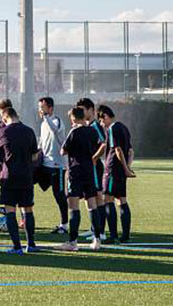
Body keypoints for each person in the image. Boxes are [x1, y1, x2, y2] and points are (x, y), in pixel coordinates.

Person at [0, 107, 38, 254]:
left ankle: (17, 247)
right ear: (17, 116)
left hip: (9, 176)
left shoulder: (3, 132)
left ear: (5, 119)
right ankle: (31, 244)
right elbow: (35, 156)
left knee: (10, 210)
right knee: (27, 210)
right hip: (26, 176)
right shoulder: (29, 131)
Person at [57, 107, 102, 252]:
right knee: (92, 205)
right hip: (89, 171)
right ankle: (97, 239)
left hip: (75, 172)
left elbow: (63, 150)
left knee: (73, 206)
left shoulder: (74, 131)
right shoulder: (93, 131)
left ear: (74, 119)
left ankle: (72, 242)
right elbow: (98, 146)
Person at [98, 105, 136, 244]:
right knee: (122, 201)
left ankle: (113, 235)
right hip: (120, 171)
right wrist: (128, 167)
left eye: (101, 121)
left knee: (108, 199)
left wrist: (125, 169)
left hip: (112, 169)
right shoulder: (124, 128)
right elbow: (131, 151)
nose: (102, 125)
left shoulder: (112, 128)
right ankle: (125, 236)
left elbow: (118, 150)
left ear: (106, 117)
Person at [76, 98, 107, 241]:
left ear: (91, 110)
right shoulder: (86, 127)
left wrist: (93, 158)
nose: (81, 112)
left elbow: (104, 144)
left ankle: (100, 232)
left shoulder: (95, 126)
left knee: (97, 197)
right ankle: (94, 229)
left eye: (83, 109)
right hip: (87, 168)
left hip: (94, 167)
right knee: (90, 198)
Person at [37, 97, 69, 234]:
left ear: (50, 108)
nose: (41, 110)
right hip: (44, 164)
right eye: (40, 107)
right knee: (26, 181)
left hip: (57, 165)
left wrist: (45, 117)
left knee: (59, 195)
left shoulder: (57, 121)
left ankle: (64, 224)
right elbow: (42, 140)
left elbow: (55, 130)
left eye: (43, 107)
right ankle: (20, 216)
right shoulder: (44, 123)